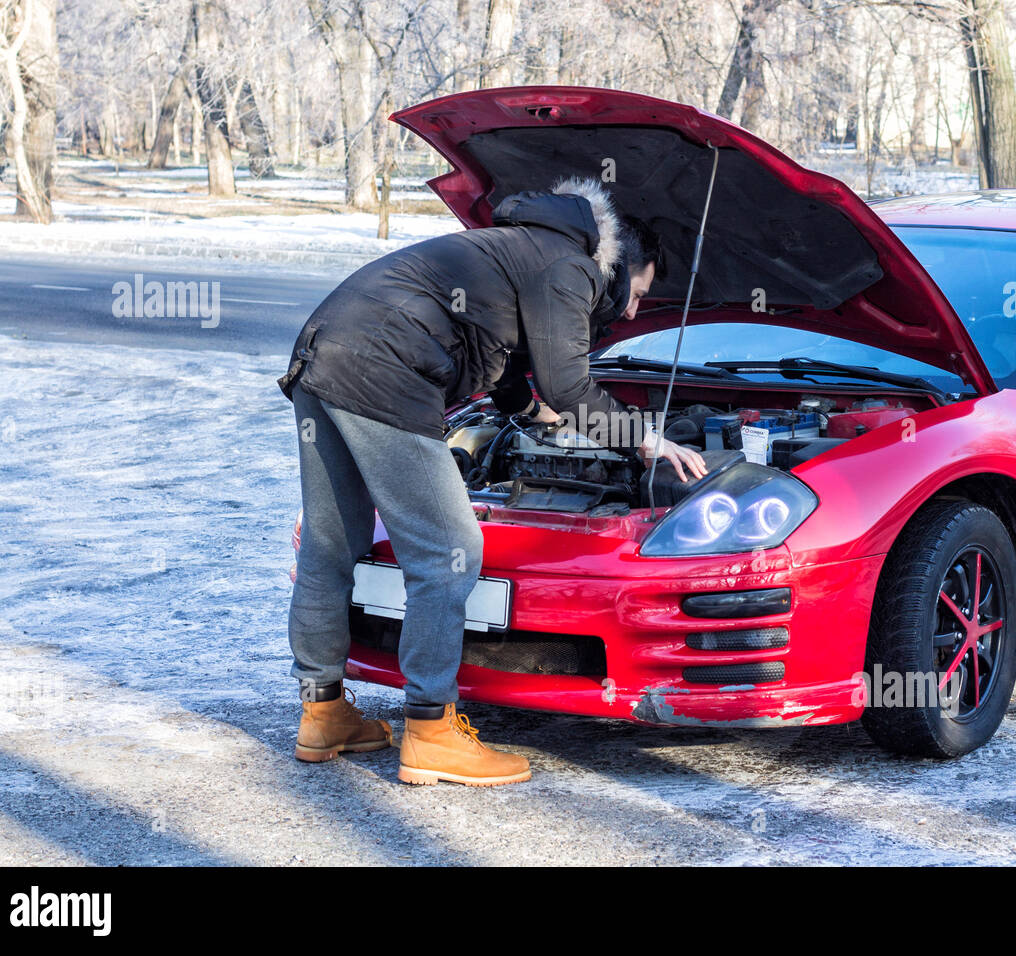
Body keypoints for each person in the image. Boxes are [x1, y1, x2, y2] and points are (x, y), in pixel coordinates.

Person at [278, 176, 707, 786]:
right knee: (449, 551)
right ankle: (431, 731)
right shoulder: (572, 264)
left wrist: (530, 415)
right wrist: (647, 438)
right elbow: (568, 387)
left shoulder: (521, 245)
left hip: (323, 352)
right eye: (638, 292)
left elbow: (499, 361)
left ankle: (322, 714)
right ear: (617, 268)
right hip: (386, 369)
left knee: (333, 539)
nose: (635, 311)